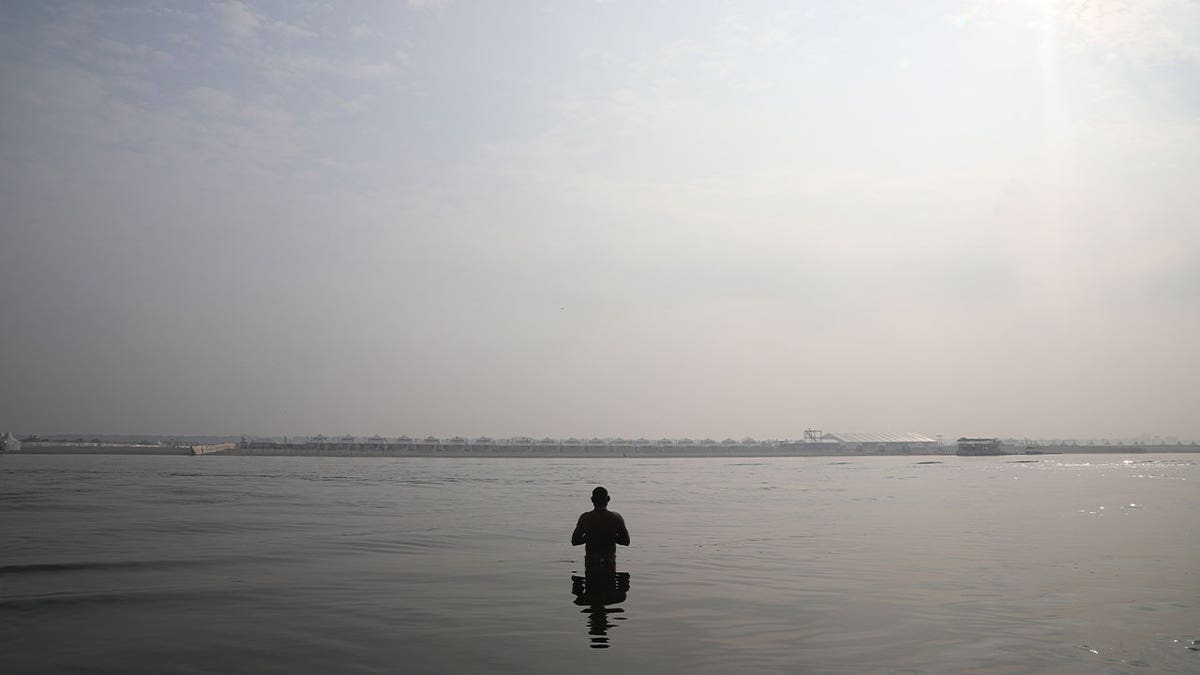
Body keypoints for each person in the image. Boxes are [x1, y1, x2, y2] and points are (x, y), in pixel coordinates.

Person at [571, 486, 630, 569]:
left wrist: (590, 536)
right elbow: (626, 541)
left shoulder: (585, 518)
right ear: (608, 499)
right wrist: (611, 536)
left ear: (592, 499)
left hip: (591, 562)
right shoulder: (616, 518)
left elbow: (575, 541)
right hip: (608, 562)